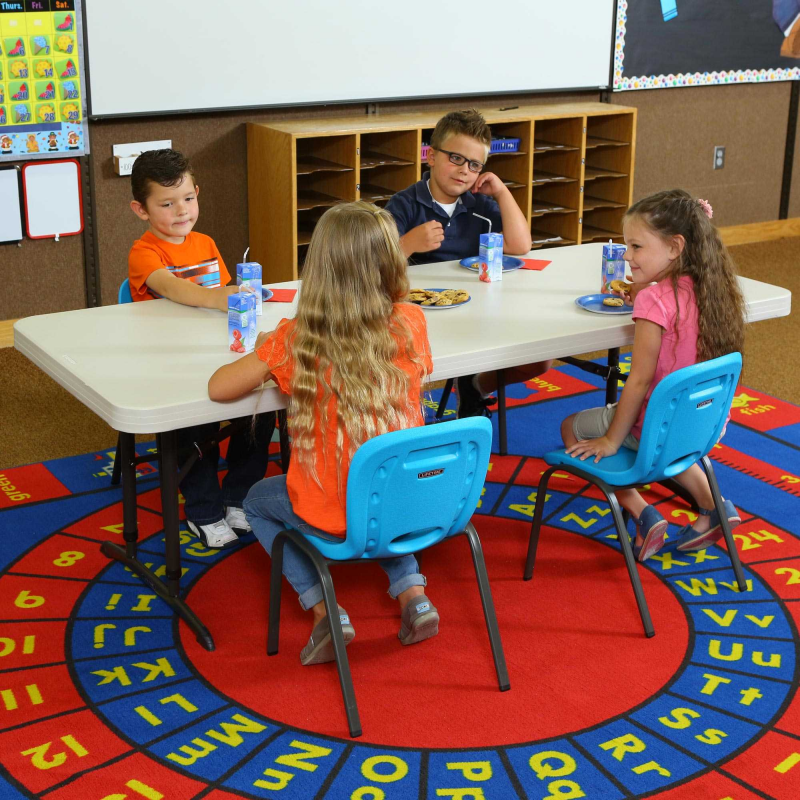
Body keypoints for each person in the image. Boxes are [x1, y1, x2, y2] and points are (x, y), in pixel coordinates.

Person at [208, 201, 438, 665]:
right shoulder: (411, 321)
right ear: (391, 262)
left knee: (256, 501)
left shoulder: (299, 339)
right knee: (380, 485)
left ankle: (323, 608)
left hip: (333, 511)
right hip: (410, 501)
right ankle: (413, 594)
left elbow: (219, 388)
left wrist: (269, 348)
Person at [560, 189, 745, 561]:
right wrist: (645, 288)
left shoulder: (653, 301)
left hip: (654, 429)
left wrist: (612, 440)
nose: (627, 256)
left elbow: (640, 380)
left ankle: (642, 512)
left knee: (571, 427)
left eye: (636, 246)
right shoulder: (714, 288)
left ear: (675, 248)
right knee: (668, 440)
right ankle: (714, 506)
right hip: (702, 426)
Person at [128, 148, 275, 549]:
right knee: (193, 428)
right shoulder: (145, 253)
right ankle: (204, 509)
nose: (181, 211)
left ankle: (238, 495)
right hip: (172, 363)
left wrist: (243, 300)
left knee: (262, 409)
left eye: (188, 199)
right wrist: (226, 297)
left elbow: (228, 300)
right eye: (167, 203)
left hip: (217, 352)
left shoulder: (206, 242)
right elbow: (179, 290)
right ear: (141, 210)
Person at [385, 109, 551, 419]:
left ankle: (475, 386)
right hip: (419, 318)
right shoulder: (404, 203)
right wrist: (408, 244)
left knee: (539, 359)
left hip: (479, 314)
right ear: (431, 156)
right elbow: (374, 264)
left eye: (475, 165)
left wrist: (501, 192)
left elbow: (521, 246)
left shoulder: (481, 205)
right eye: (456, 158)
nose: (464, 171)